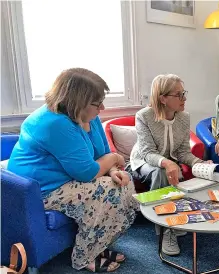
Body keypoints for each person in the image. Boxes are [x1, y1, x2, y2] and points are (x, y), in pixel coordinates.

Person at [7, 68, 138, 272]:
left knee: (123, 182)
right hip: (37, 190)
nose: (102, 107)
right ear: (78, 101)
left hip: (67, 179)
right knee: (108, 192)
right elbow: (86, 172)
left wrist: (113, 169)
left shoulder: (87, 115)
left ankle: (98, 245)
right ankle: (84, 257)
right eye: (97, 103)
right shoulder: (54, 123)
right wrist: (114, 158)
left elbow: (101, 152)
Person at [129, 74, 210, 256]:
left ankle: (177, 218)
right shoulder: (144, 116)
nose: (185, 99)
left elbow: (182, 152)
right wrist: (167, 163)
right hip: (143, 162)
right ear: (163, 98)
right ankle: (167, 230)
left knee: (169, 171)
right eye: (179, 95)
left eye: (184, 93)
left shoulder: (184, 117)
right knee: (160, 172)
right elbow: (147, 152)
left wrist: (201, 163)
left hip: (167, 163)